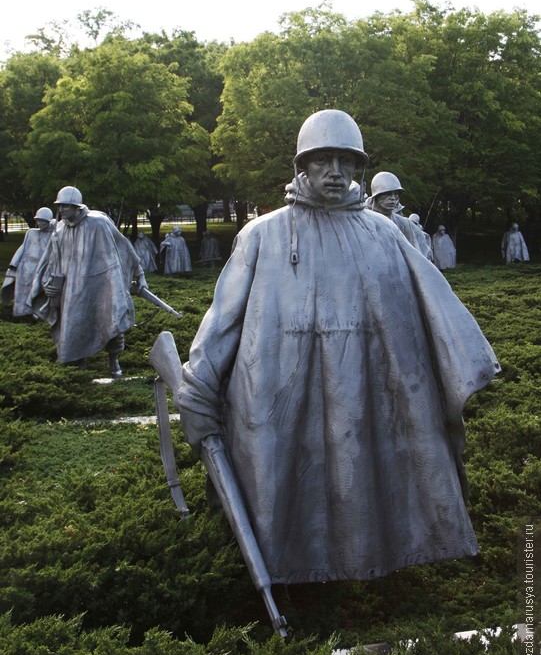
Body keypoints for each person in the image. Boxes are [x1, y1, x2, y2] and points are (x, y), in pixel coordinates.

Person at [178, 109, 500, 586]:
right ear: (301, 167)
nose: (334, 171)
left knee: (361, 473)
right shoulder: (263, 235)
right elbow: (223, 321)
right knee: (289, 480)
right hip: (281, 390)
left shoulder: (383, 233)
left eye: (344, 161)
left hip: (367, 388)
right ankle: (291, 570)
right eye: (322, 159)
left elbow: (429, 311)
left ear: (357, 168)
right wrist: (199, 387)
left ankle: (375, 563)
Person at [31, 186, 147, 378]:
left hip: (102, 282)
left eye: (66, 206)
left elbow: (123, 247)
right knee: (75, 324)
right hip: (72, 288)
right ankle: (80, 361)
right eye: (60, 206)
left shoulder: (98, 222)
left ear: (77, 207)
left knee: (112, 321)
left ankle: (113, 361)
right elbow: (51, 261)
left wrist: (139, 274)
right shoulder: (59, 230)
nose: (62, 210)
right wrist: (47, 283)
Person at [1, 207, 56, 316]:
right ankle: (21, 313)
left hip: (40, 269)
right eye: (38, 220)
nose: (40, 223)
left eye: (43, 221)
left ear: (48, 221)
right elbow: (22, 249)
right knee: (22, 292)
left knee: (37, 292)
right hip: (25, 268)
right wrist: (14, 264)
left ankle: (37, 314)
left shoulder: (54, 235)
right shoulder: (30, 233)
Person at [365, 172, 432, 258]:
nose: (393, 198)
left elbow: (424, 244)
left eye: (396, 194)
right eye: (388, 193)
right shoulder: (363, 220)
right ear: (376, 195)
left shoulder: (404, 223)